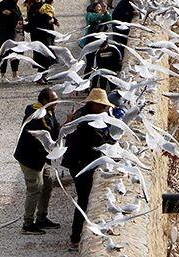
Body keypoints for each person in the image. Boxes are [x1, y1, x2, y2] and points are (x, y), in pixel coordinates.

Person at [61, 88, 116, 252]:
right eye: (101, 106)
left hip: (82, 162)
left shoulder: (90, 115)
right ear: (93, 104)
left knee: (85, 199)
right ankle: (75, 238)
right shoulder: (84, 121)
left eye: (104, 106)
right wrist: (113, 148)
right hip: (80, 164)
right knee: (84, 200)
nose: (104, 109)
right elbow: (97, 141)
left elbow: (104, 136)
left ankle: (80, 234)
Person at [13, 87, 62, 235]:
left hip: (41, 158)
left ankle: (42, 218)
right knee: (35, 188)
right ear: (45, 101)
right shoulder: (36, 115)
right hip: (30, 158)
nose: (57, 102)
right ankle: (27, 224)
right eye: (54, 100)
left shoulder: (49, 110)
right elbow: (52, 133)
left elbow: (55, 128)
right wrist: (67, 124)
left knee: (48, 183)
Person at [24, 0, 56, 75]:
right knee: (43, 57)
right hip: (39, 36)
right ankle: (40, 76)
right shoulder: (33, 8)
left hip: (47, 34)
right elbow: (35, 22)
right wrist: (48, 21)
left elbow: (50, 14)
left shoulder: (44, 5)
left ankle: (43, 76)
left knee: (48, 56)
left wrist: (53, 20)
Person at [0, 0, 23, 78]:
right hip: (4, 33)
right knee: (4, 53)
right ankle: (3, 74)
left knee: (15, 53)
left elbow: (19, 17)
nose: (14, 0)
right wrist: (3, 14)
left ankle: (15, 73)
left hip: (15, 34)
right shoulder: (2, 6)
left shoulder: (16, 7)